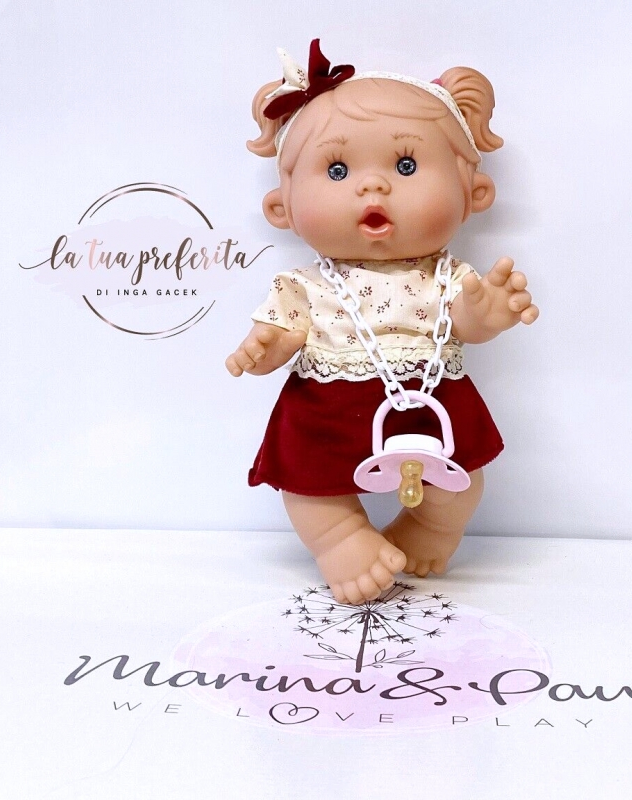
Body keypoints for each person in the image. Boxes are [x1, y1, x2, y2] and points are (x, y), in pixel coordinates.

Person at [226, 40, 538, 605]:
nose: (373, 186)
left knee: (459, 482)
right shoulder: (304, 285)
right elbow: (286, 329)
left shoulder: (448, 276)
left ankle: (429, 528)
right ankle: (341, 539)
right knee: (309, 486)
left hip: (431, 397)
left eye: (406, 165)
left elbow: (463, 319)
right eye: (337, 170)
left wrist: (486, 313)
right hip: (325, 406)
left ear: (473, 195)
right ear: (282, 208)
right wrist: (266, 346)